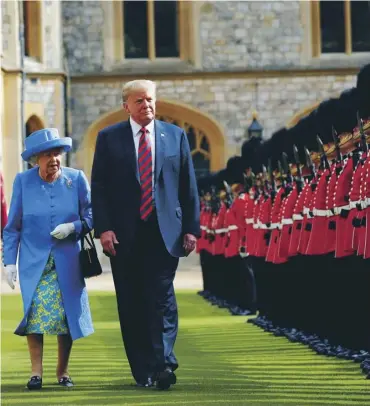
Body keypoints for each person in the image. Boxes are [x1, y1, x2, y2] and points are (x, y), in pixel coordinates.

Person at [91, 79, 200, 390]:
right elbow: (99, 187)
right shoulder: (109, 138)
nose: (146, 105)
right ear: (126, 105)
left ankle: (164, 363)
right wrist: (105, 228)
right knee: (132, 300)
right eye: (139, 101)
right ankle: (143, 370)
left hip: (164, 232)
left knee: (162, 297)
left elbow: (187, 186)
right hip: (124, 235)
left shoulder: (175, 135)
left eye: (150, 99)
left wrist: (191, 228)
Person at [2, 128, 94, 390]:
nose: (54, 159)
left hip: (67, 261)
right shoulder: (23, 181)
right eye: (47, 154)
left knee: (66, 317)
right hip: (34, 263)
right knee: (35, 315)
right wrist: (9, 261)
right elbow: (13, 226)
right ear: (35, 159)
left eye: (57, 153)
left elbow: (91, 216)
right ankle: (36, 373)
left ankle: (62, 371)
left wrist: (73, 227)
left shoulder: (76, 179)